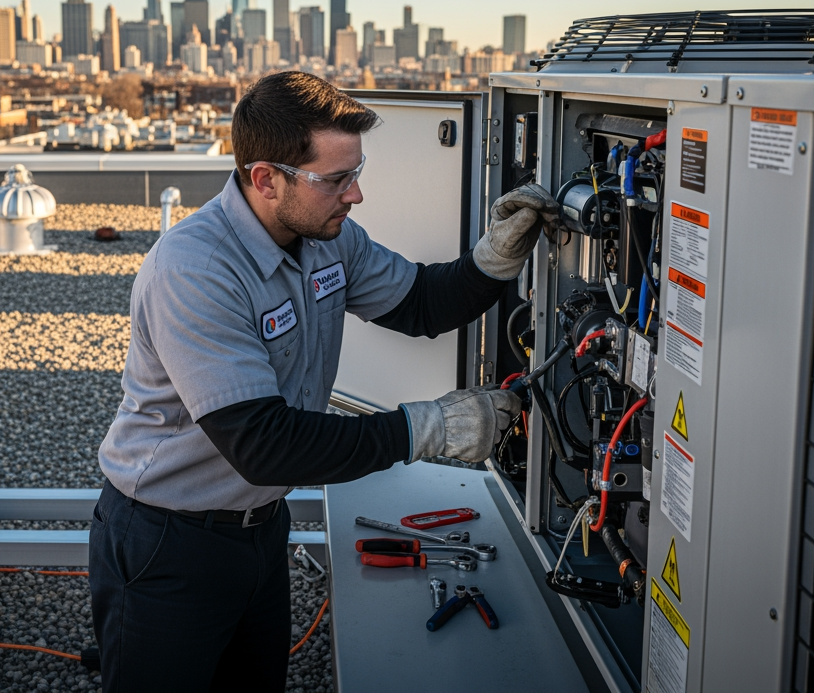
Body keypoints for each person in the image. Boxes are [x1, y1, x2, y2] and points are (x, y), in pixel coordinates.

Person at [90, 71, 561, 691]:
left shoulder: (325, 239)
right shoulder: (196, 268)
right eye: (337, 179)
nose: (356, 194)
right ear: (266, 179)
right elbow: (266, 444)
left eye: (356, 173)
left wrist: (494, 257)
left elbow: (421, 302)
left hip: (260, 530)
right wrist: (431, 428)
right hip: (169, 545)